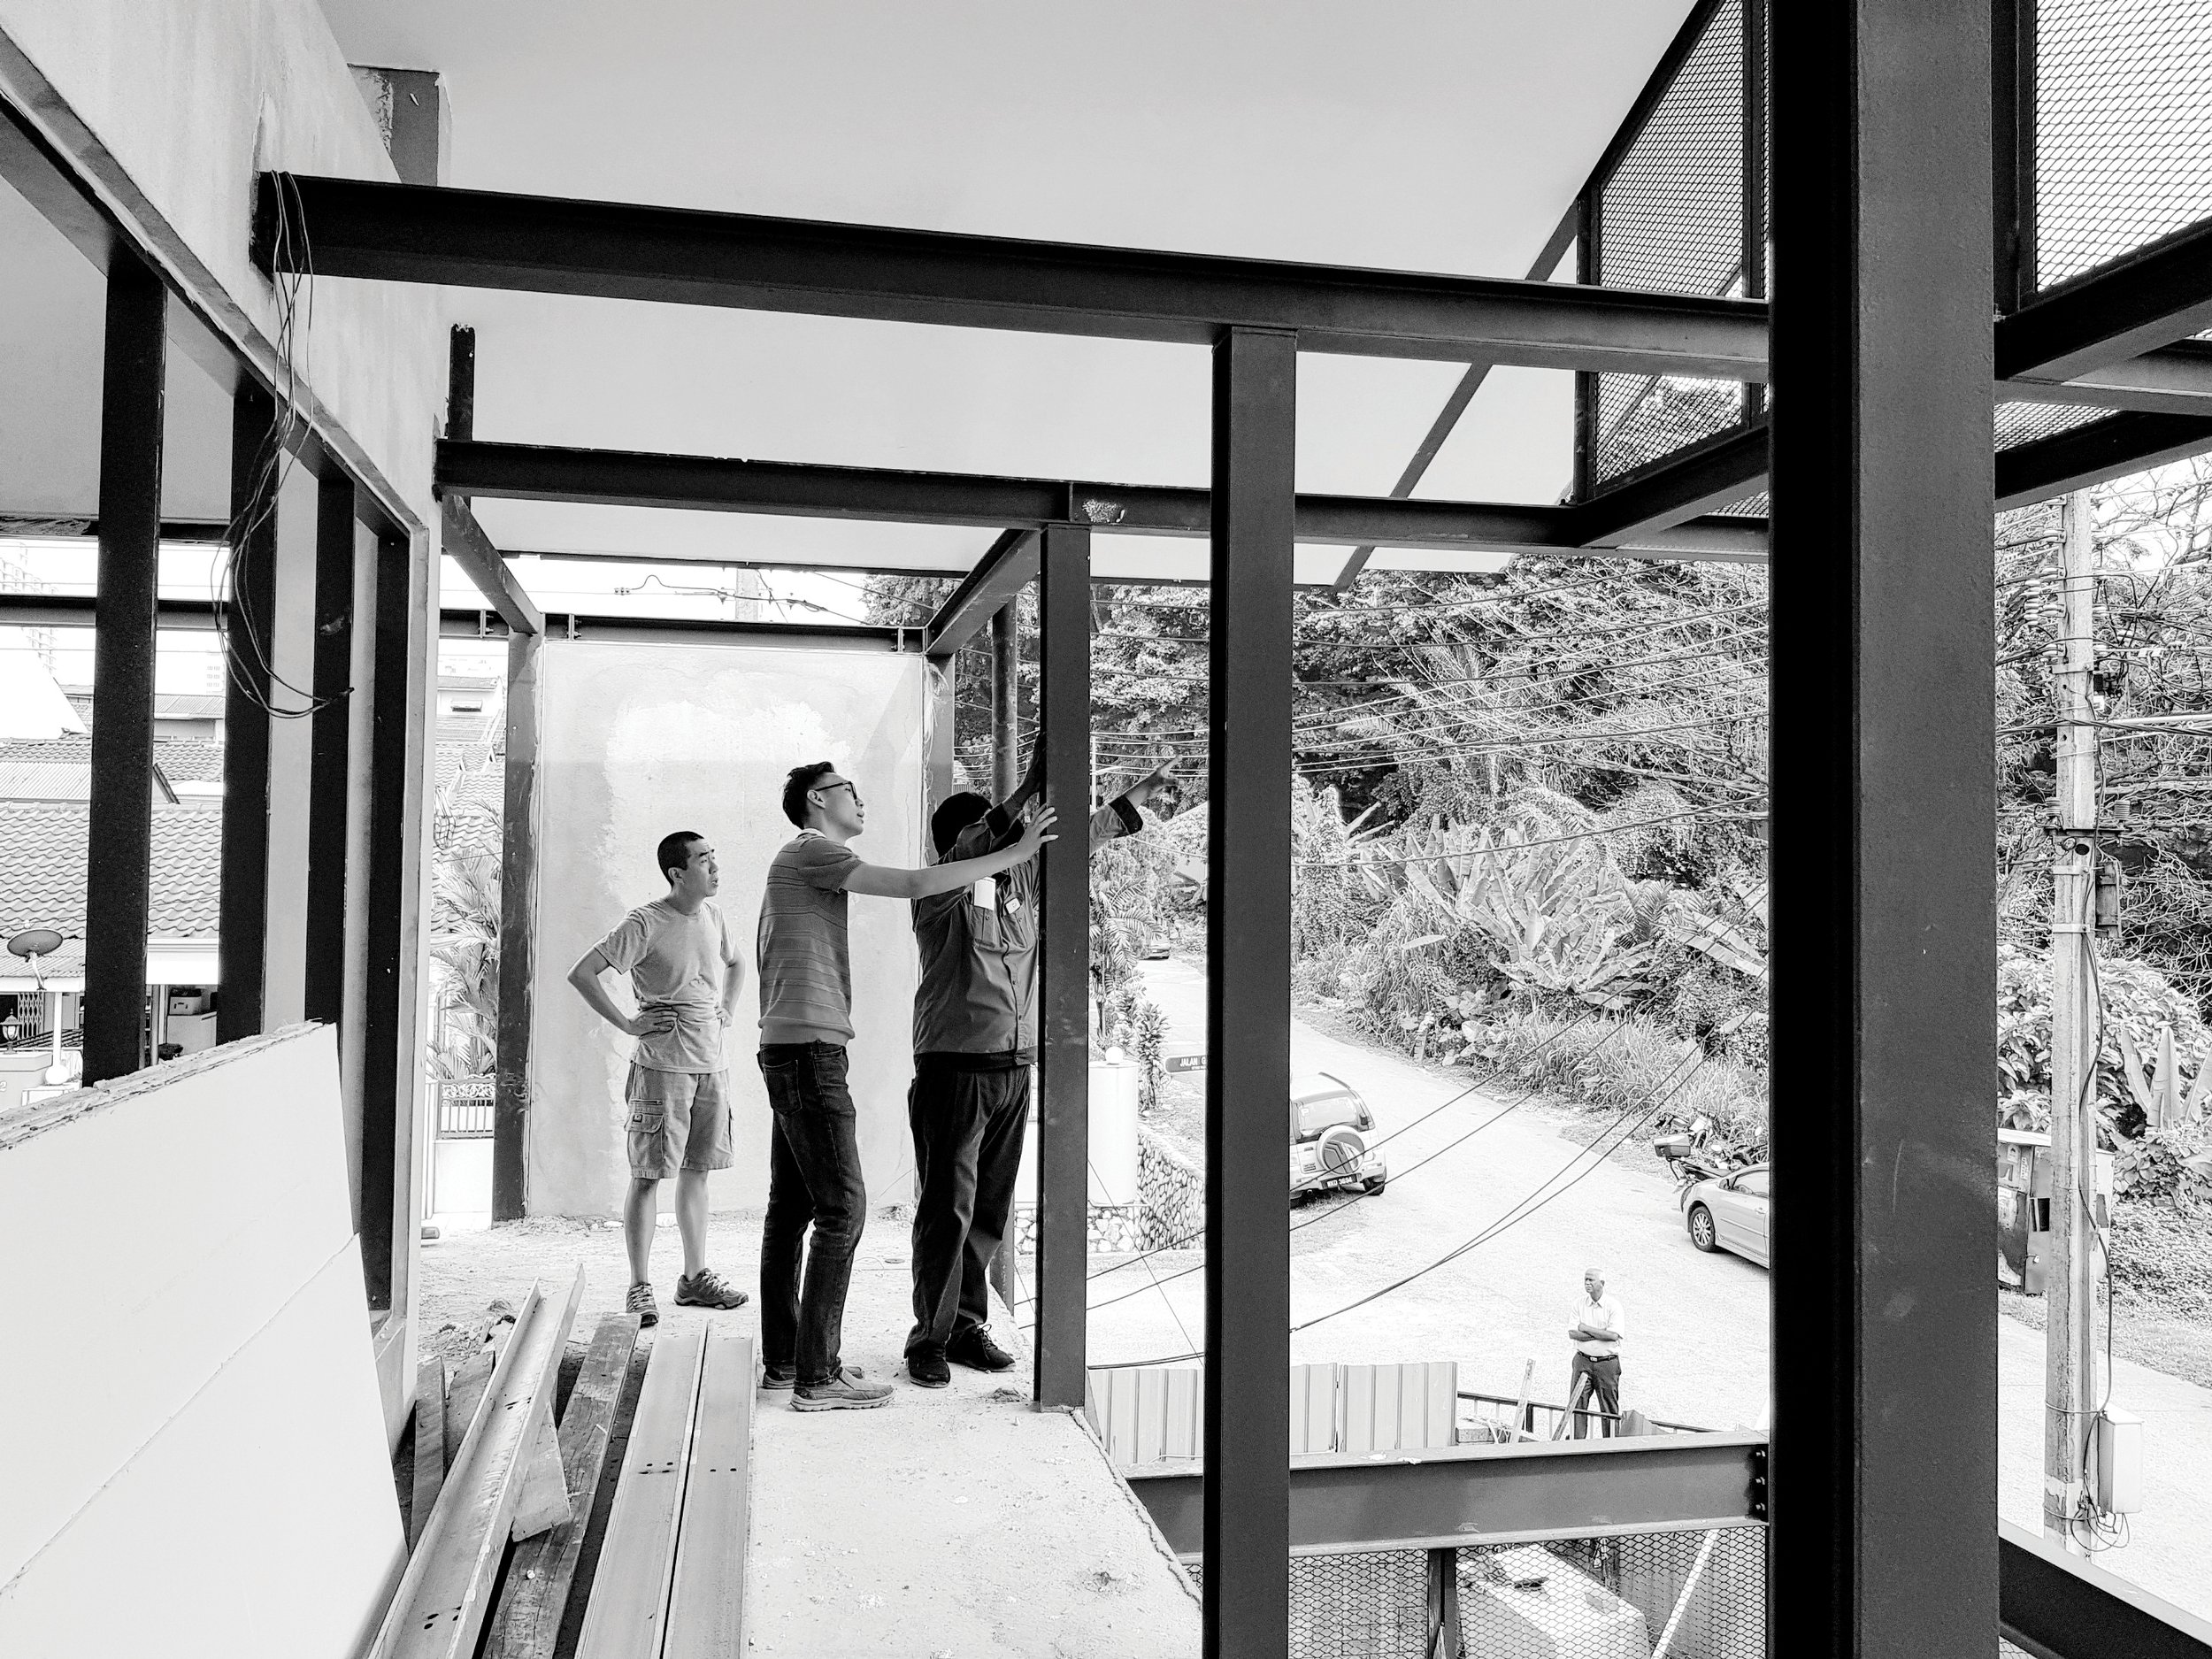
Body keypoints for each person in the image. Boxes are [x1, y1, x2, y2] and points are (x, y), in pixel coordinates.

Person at [757, 761, 1056, 1412]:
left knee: (797, 1207)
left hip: (834, 1045)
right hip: (865, 1054)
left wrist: (1126, 802)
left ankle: (789, 1360)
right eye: (849, 790)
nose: (861, 799)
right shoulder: (818, 852)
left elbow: (1067, 840)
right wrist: (1024, 807)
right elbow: (921, 879)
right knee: (846, 1211)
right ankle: (823, 1372)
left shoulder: (1008, 885)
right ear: (817, 799)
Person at [902, 750, 1179, 1387]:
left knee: (988, 1210)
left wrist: (1141, 790)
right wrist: (1026, 787)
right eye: (989, 836)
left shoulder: (1021, 884)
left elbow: (1084, 837)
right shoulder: (937, 890)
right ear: (961, 845)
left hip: (1012, 1067)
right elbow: (979, 843)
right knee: (947, 1211)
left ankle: (965, 1327)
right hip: (954, 1068)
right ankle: (928, 1340)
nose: (1004, 843)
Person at [567, 831, 751, 1329]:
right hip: (661, 1068)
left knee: (698, 1172)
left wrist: (728, 1008)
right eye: (704, 860)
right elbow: (582, 973)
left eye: (714, 857)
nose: (715, 867)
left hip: (711, 1066)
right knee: (647, 1176)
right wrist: (628, 1024)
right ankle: (639, 1286)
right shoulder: (645, 922)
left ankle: (694, 1279)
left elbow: (737, 963)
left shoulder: (714, 917)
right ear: (677, 873)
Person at [1566, 1264, 1624, 1437]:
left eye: (1591, 1279)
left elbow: (1613, 1335)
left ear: (1602, 1283)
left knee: (1608, 1408)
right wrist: (1600, 1334)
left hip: (1606, 1364)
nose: (1587, 1283)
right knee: (1577, 1404)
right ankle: (1577, 1443)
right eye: (1585, 1279)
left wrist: (1585, 1328)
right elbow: (1573, 1333)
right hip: (1582, 1360)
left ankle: (1610, 1444)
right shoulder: (1579, 1304)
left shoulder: (1613, 1306)